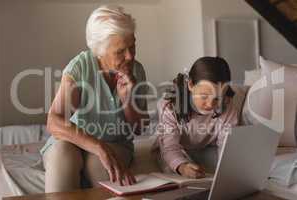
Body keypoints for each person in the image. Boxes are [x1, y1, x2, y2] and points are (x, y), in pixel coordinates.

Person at [41, 5, 149, 192]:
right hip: (75, 140)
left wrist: (127, 101)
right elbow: (54, 121)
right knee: (62, 155)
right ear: (99, 51)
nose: (130, 56)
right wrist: (98, 146)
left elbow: (138, 129)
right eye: (120, 51)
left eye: (132, 46)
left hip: (116, 142)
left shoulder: (137, 70)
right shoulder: (80, 66)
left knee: (97, 165)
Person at [153, 57, 245, 179]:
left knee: (234, 165)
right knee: (172, 171)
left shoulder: (227, 106)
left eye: (217, 98)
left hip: (206, 147)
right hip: (174, 148)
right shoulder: (170, 107)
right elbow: (170, 148)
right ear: (190, 85)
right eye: (204, 96)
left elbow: (226, 146)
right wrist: (182, 167)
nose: (210, 105)